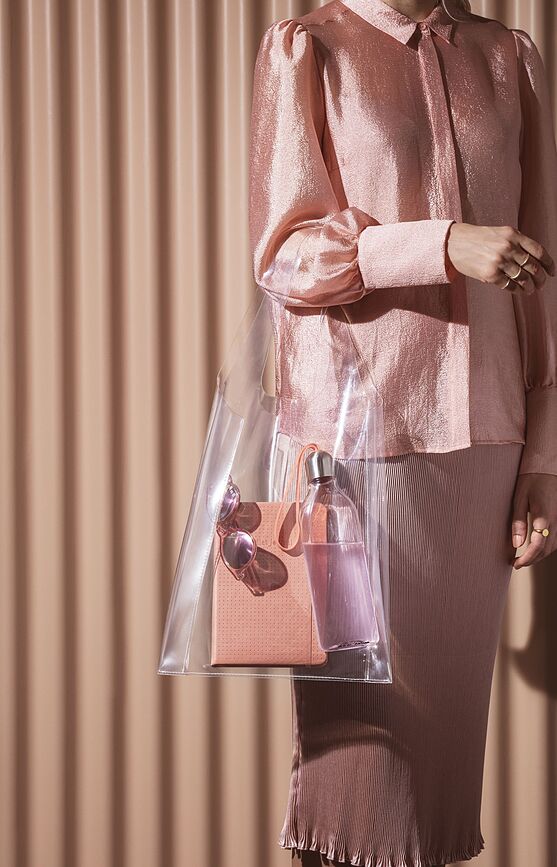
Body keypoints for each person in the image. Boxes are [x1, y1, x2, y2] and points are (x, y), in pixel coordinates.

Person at [248, 0, 557, 865]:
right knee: (358, 750)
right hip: (352, 444)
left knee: (440, 769)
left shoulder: (506, 58)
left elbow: (544, 271)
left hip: (485, 445)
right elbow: (284, 254)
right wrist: (440, 245)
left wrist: (542, 454)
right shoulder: (307, 47)